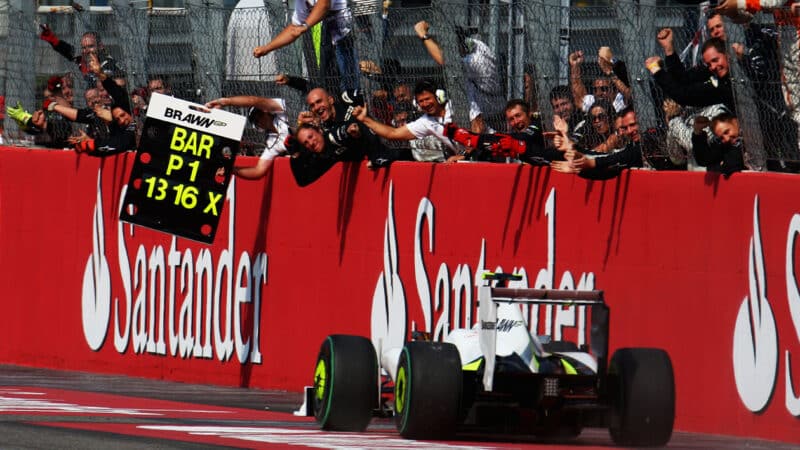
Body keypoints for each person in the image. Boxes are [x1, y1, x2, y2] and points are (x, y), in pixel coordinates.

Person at [413, 21, 504, 133]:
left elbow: (444, 60)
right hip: (486, 101)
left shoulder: (476, 60)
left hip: (491, 107)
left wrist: (423, 35)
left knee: (464, 87)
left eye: (448, 49)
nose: (444, 51)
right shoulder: (475, 44)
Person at [253, 0, 359, 92]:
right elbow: (293, 29)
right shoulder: (302, 2)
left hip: (354, 38)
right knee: (344, 92)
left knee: (356, 88)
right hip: (337, 46)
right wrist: (267, 48)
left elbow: (324, 4)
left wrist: (305, 25)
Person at [352, 80, 466, 161]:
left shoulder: (458, 106)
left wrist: (466, 154)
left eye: (428, 99)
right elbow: (393, 133)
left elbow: (478, 127)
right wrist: (365, 119)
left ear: (439, 96)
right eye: (421, 101)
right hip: (464, 159)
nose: (425, 104)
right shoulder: (426, 122)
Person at [205, 96, 290, 180]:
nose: (259, 119)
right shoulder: (271, 143)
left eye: (259, 114)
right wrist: (231, 169)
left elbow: (254, 101)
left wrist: (226, 102)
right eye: (255, 119)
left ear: (265, 110)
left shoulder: (281, 111)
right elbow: (258, 171)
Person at [70, 54, 136, 157]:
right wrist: (91, 142)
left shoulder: (136, 115)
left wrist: (93, 144)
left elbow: (122, 143)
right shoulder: (113, 121)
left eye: (122, 115)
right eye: (118, 119)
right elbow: (114, 142)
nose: (122, 120)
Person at [551, 107, 644, 179]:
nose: (629, 131)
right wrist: (579, 167)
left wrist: (590, 162)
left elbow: (617, 158)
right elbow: (610, 167)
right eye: (625, 128)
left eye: (633, 125)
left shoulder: (650, 139)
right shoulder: (631, 146)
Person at [39, 27, 122, 86]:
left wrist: (79, 77)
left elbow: (100, 84)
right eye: (83, 48)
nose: (87, 51)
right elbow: (69, 51)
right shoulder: (83, 60)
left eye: (91, 46)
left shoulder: (109, 64)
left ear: (100, 46)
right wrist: (52, 39)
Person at [568, 47, 631, 114]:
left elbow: (630, 96)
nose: (599, 93)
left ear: (614, 90)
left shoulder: (619, 101)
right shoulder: (594, 102)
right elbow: (578, 97)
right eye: (595, 90)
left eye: (604, 89)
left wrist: (609, 72)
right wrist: (575, 66)